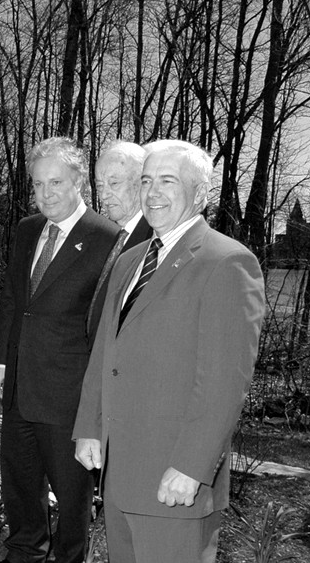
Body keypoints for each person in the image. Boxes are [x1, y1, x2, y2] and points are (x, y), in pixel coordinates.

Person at [73, 141, 265, 563]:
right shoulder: (131, 260)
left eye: (167, 181)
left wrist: (193, 467)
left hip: (174, 479)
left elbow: (224, 382)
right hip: (120, 473)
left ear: (200, 193)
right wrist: (89, 424)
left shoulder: (227, 261)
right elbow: (107, 349)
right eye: (146, 181)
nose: (152, 192)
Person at [0, 137, 119, 563]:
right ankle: (24, 551)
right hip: (19, 386)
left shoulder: (107, 239)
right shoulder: (27, 230)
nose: (46, 194)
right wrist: (2, 360)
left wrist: (97, 400)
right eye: (38, 184)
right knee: (20, 483)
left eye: (56, 182)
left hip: (69, 394)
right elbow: (12, 299)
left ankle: (69, 557)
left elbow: (106, 326)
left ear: (79, 180)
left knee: (72, 494)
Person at [87, 141, 152, 338]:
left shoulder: (154, 242)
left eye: (114, 183)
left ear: (142, 183)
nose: (104, 195)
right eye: (99, 186)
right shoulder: (112, 238)